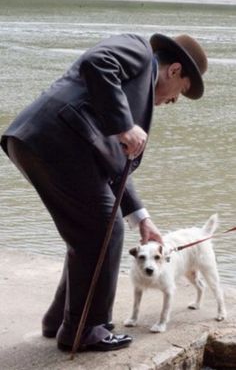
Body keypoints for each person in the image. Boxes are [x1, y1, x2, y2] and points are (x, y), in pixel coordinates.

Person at [0, 32, 208, 352]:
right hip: (57, 138)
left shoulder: (132, 95)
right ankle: (86, 329)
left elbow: (115, 167)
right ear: (175, 70)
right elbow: (97, 62)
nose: (172, 101)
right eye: (179, 93)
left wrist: (142, 220)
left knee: (88, 231)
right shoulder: (138, 49)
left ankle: (62, 320)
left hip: (42, 142)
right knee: (104, 230)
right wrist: (123, 124)